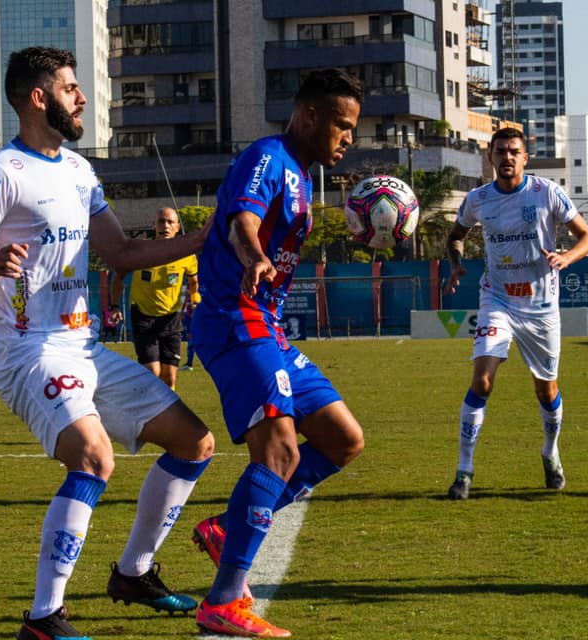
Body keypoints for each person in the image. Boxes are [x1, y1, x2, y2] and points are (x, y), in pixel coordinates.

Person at [0, 46, 215, 640]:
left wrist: (203, 238)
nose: (82, 97)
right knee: (94, 459)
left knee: (195, 443)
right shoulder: (1, 174)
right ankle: (44, 618)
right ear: (39, 99)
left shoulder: (79, 170)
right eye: (70, 88)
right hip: (29, 353)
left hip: (84, 348)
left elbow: (121, 254)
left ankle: (133, 574)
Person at [190, 68, 366, 638]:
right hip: (232, 320)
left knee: (343, 439)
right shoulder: (267, 158)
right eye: (341, 125)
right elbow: (242, 219)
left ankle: (228, 529)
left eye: (352, 128)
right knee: (281, 451)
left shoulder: (306, 176)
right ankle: (222, 602)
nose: (347, 137)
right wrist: (252, 256)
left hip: (267, 327)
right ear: (309, 115)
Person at [443, 127, 588, 500]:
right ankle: (464, 471)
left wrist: (565, 257)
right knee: (482, 380)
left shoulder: (547, 193)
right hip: (497, 300)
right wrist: (457, 264)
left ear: (525, 158)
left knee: (547, 390)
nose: (507, 157)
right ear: (490, 158)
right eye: (500, 152)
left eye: (514, 151)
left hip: (541, 307)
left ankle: (550, 451)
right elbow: (456, 235)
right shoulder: (478, 199)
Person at [109, 207, 200, 389]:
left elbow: (193, 280)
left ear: (177, 227)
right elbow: (118, 276)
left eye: (170, 222)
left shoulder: (186, 255)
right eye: (161, 221)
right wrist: (114, 306)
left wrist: (195, 298)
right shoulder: (140, 250)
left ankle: (166, 413)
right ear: (154, 225)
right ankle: (149, 411)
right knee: (153, 372)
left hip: (171, 319)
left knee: (169, 378)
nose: (165, 226)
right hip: (143, 316)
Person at [179, 292, 196, 371]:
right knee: (189, 337)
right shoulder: (190, 283)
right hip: (188, 315)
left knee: (191, 338)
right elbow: (186, 299)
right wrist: (182, 311)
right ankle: (189, 363)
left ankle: (189, 364)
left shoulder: (201, 284)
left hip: (195, 315)